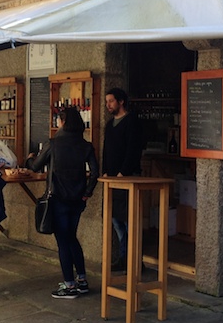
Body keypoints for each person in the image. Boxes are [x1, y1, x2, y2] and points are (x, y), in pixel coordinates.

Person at [27, 107, 99, 299]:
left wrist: (30, 158)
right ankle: (82, 280)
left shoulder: (54, 143)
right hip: (77, 199)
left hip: (58, 198)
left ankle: (69, 285)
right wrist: (87, 193)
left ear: (63, 122)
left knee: (63, 242)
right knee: (72, 238)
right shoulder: (86, 145)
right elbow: (95, 172)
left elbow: (36, 166)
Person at [101, 88, 144, 271]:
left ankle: (135, 260)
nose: (108, 105)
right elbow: (106, 150)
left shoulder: (132, 121)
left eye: (111, 101)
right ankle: (123, 256)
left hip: (127, 177)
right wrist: (104, 172)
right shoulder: (110, 125)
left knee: (129, 219)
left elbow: (134, 149)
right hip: (111, 178)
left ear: (121, 102)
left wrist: (123, 171)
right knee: (116, 219)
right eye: (106, 102)